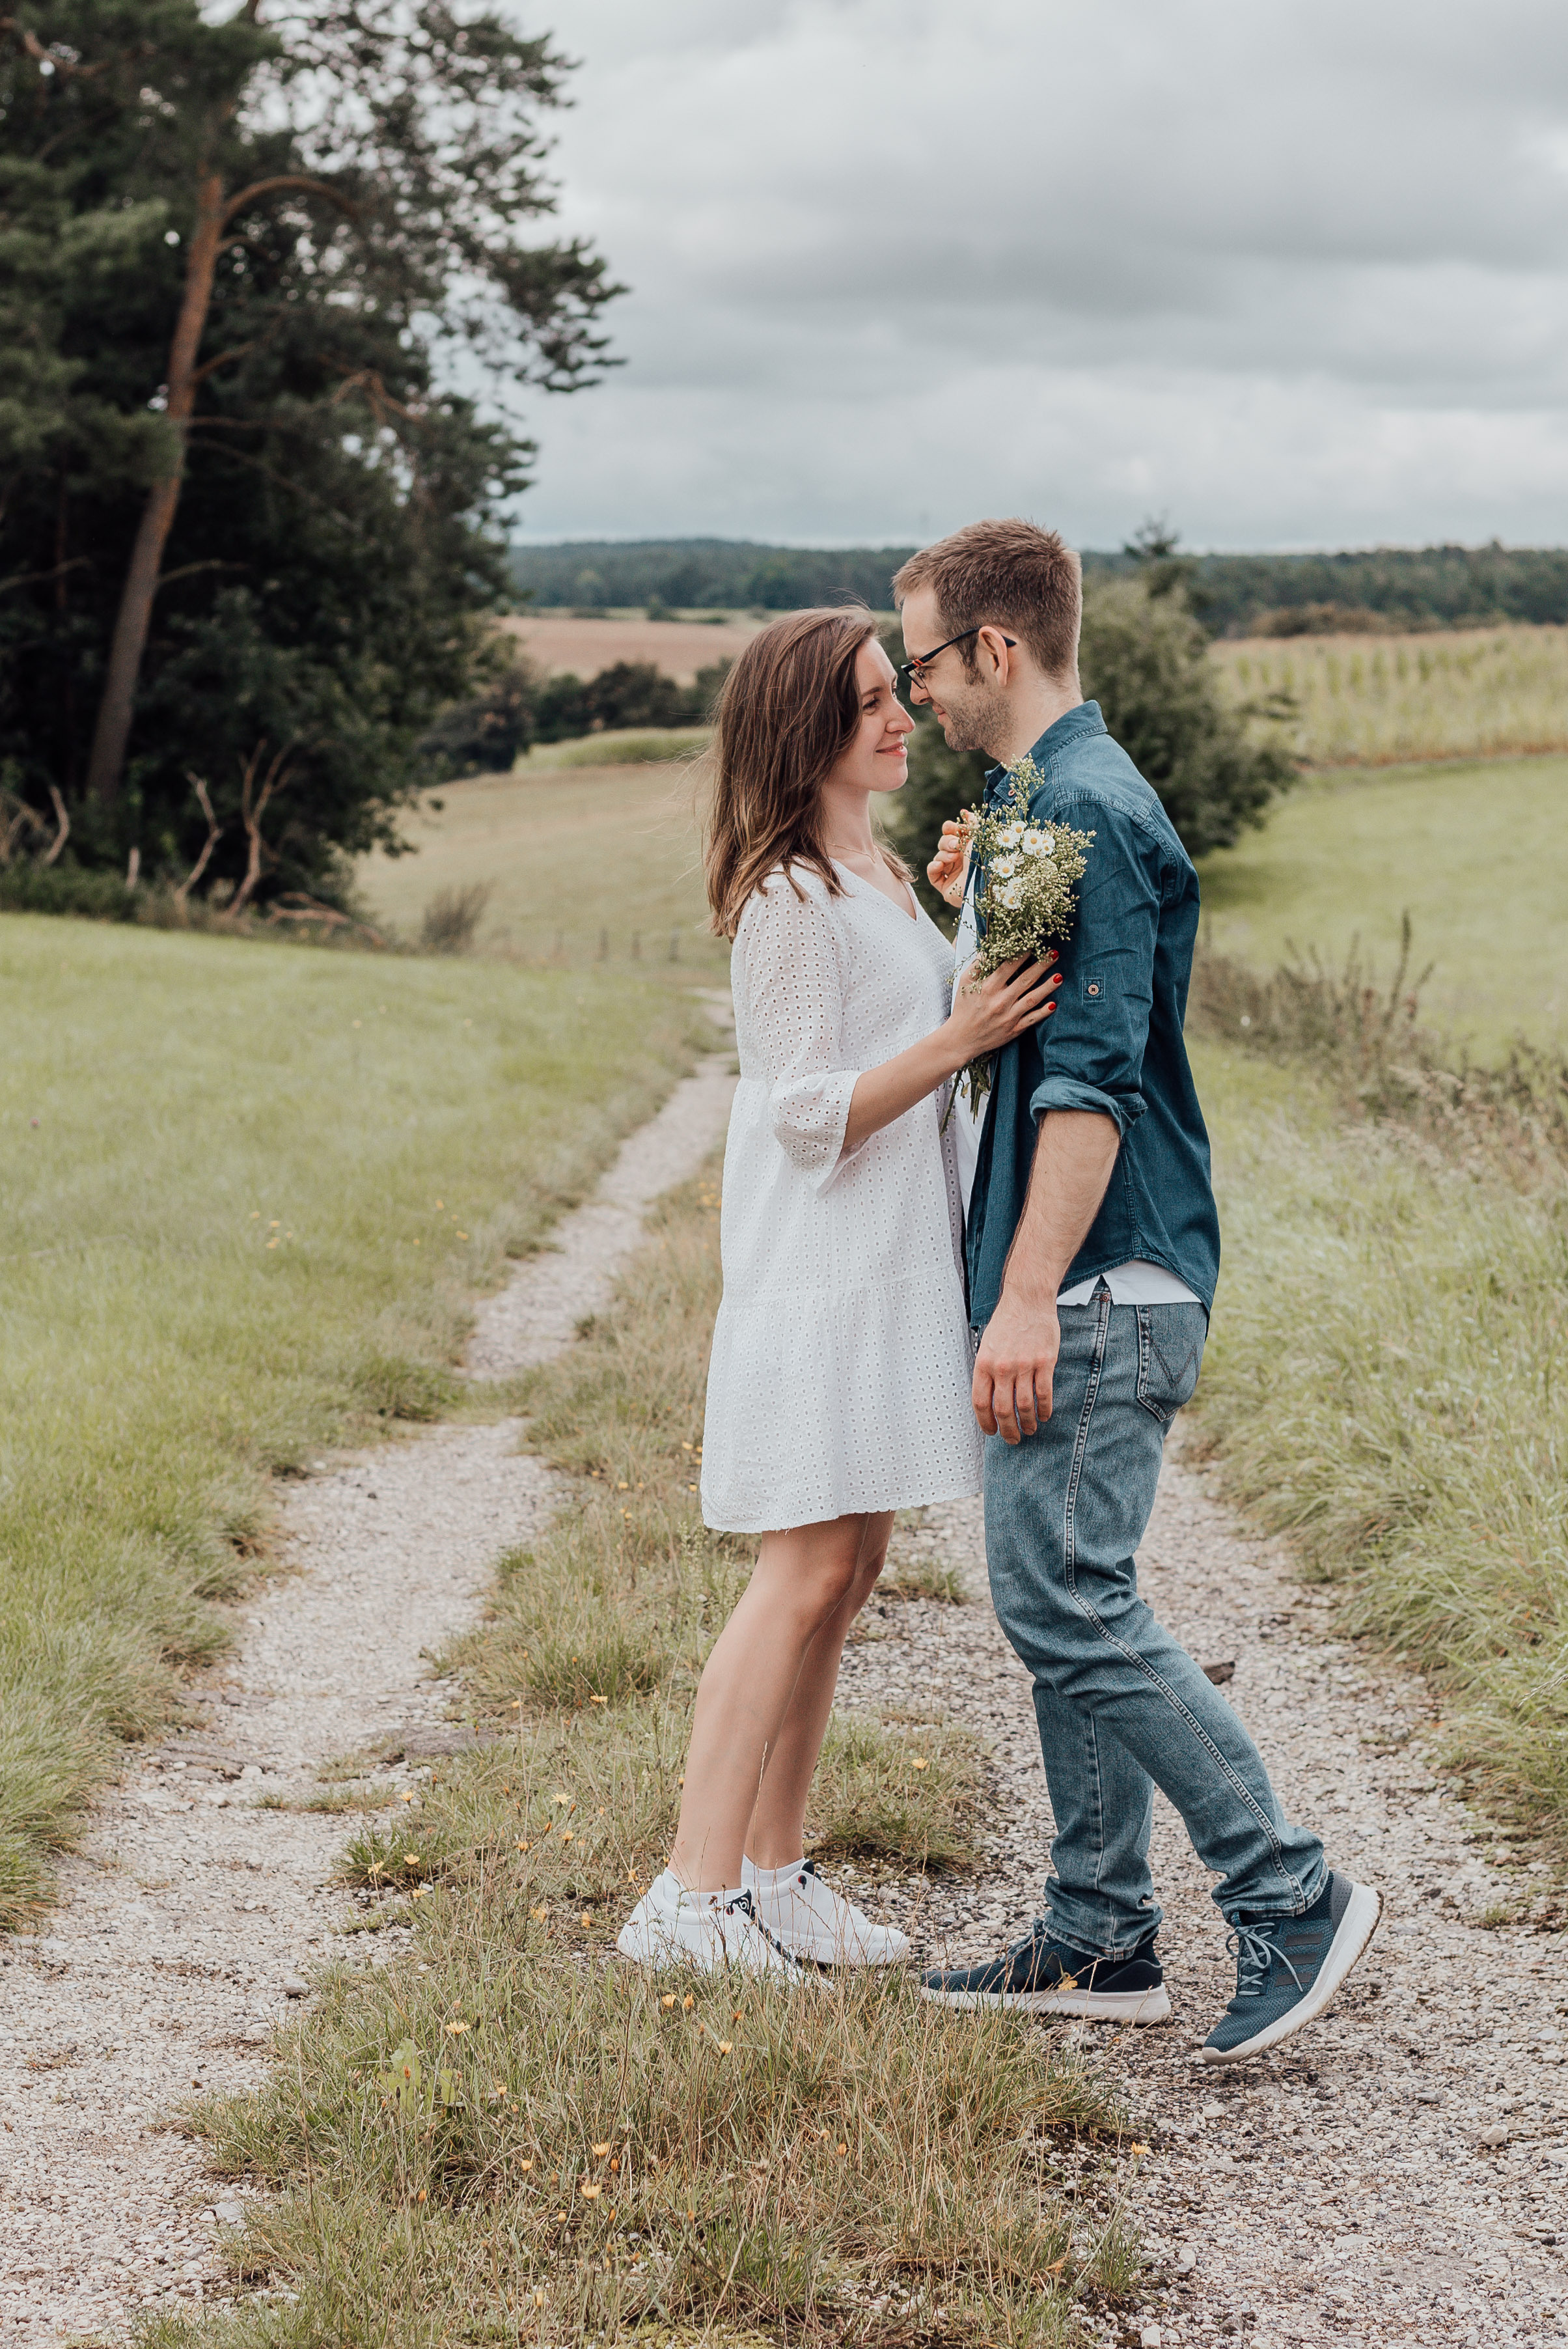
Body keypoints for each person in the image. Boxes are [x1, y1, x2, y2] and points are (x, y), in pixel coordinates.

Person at [900, 520, 1381, 2064]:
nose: (911, 693)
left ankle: (1286, 1892)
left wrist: (1026, 1291)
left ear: (992, 648)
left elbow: (1089, 1084)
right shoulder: (1032, 803)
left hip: (1099, 1277)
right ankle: (1098, 1930)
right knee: (1061, 1597)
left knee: (1064, 1595)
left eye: (921, 660)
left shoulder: (1083, 808)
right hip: (1082, 1273)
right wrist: (960, 908)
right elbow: (1019, 1031)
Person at [617, 605, 1060, 1977]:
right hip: (819, 1274)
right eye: (870, 700)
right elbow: (804, 1110)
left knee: (849, 1567)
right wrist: (958, 1034)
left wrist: (951, 908)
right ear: (804, 727)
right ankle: (686, 1905)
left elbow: (895, 1011)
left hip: (885, 1266)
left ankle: (773, 1870)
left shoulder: (862, 867)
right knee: (798, 1567)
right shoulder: (785, 897)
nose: (899, 715)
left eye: (896, 690)